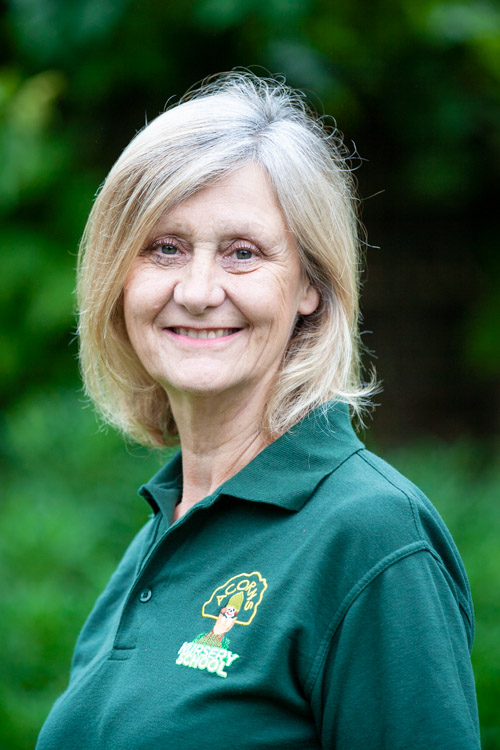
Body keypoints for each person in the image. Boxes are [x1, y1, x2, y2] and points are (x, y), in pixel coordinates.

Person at [36, 72, 480, 749]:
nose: (198, 289)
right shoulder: (165, 528)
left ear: (309, 284)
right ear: (117, 276)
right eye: (165, 248)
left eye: (243, 253)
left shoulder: (374, 537)